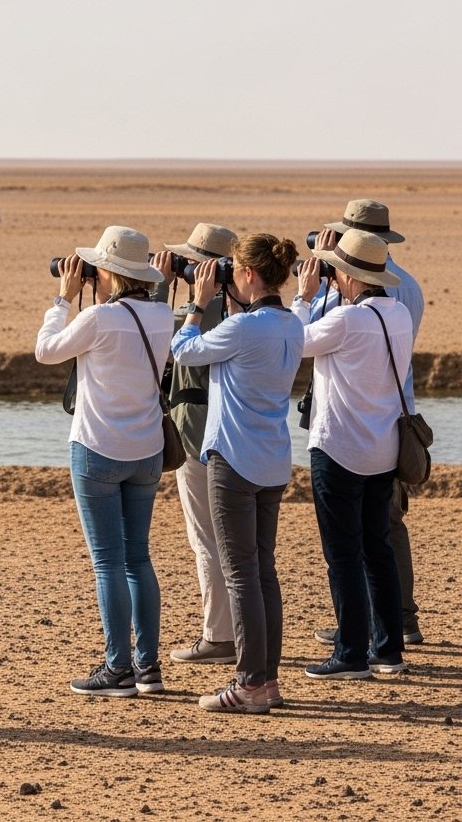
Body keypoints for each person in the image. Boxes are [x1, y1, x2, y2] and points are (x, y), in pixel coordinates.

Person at [35, 227, 173, 697]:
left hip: (97, 449)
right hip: (147, 451)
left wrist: (62, 299)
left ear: (108, 272)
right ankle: (148, 666)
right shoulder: (163, 316)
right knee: (138, 557)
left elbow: (47, 352)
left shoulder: (97, 317)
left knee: (107, 563)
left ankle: (117, 670)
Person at [171, 234, 303, 713]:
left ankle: (248, 684)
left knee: (241, 575)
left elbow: (185, 351)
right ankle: (267, 682)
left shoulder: (245, 330)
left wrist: (197, 303)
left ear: (247, 274)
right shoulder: (292, 325)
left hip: (233, 460)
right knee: (263, 572)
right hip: (272, 460)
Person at [304, 199, 425, 647]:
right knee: (381, 539)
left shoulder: (348, 309)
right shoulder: (405, 292)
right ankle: (391, 631)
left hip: (349, 430)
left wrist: (312, 292)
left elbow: (305, 339)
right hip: (390, 422)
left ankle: (359, 637)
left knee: (351, 547)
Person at [150, 223, 240, 667]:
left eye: (189, 262)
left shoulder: (200, 313)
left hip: (195, 434)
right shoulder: (242, 308)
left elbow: (153, 343)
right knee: (240, 542)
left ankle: (218, 635)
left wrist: (159, 286)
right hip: (234, 436)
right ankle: (238, 630)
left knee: (206, 538)